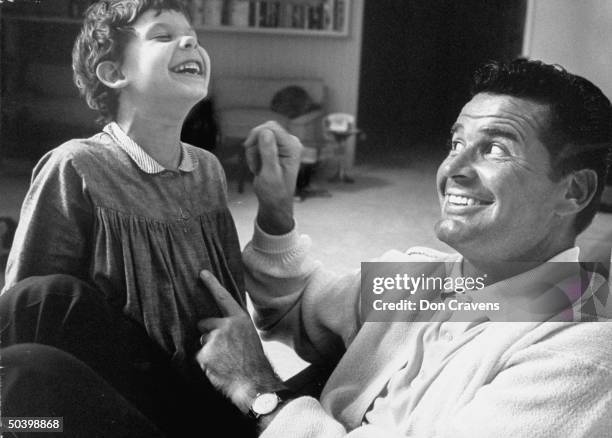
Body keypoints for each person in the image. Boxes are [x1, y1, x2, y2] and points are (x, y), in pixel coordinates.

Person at [194, 59, 612, 437]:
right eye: (456, 144)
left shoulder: (582, 349)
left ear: (573, 191)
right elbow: (291, 308)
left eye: (496, 149)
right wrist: (277, 212)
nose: (453, 170)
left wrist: (258, 389)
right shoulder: (423, 279)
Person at [0, 0, 253, 436]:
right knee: (40, 302)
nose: (190, 41)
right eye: (163, 35)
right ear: (115, 75)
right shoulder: (76, 165)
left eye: (192, 34)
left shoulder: (207, 169)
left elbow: (229, 297)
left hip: (209, 392)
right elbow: (25, 321)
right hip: (124, 389)